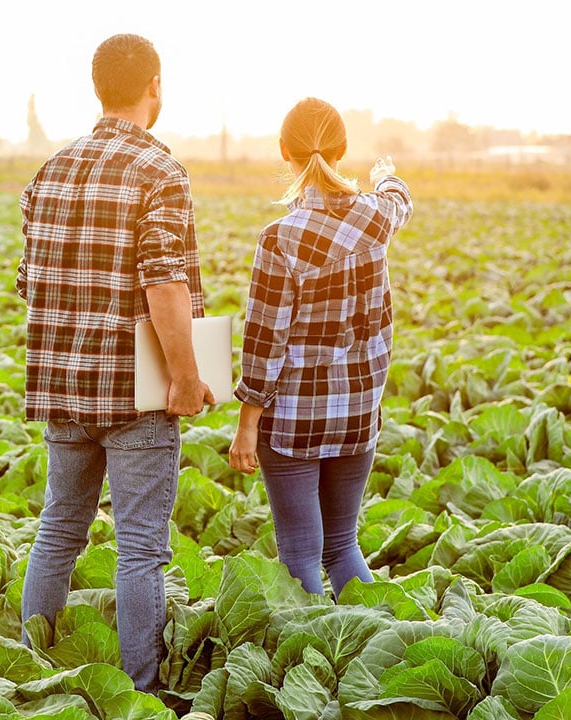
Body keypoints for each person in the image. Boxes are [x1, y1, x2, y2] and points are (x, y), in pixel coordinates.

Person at [16, 33, 213, 693]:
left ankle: (30, 671)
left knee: (57, 533)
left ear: (99, 89)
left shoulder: (50, 171)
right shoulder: (160, 171)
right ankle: (142, 692)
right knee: (141, 554)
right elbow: (165, 284)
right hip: (136, 396)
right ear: (154, 87)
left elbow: (29, 282)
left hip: (62, 389)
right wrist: (186, 377)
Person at [228, 97, 413, 598]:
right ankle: (370, 646)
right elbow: (400, 200)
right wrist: (384, 175)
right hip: (358, 414)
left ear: (283, 150)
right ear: (343, 148)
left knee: (301, 556)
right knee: (342, 547)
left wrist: (247, 425)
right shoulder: (377, 218)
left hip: (293, 421)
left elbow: (264, 340)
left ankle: (315, 648)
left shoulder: (280, 238)